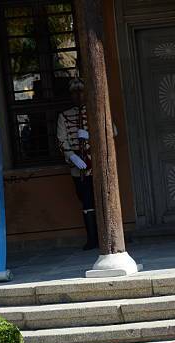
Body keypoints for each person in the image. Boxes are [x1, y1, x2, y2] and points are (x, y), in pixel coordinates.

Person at [56, 77, 98, 250]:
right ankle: (92, 238)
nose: (78, 96)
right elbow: (61, 140)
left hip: (96, 166)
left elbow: (111, 132)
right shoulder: (64, 116)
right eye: (75, 93)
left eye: (81, 92)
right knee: (86, 202)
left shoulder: (95, 111)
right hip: (78, 168)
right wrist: (73, 157)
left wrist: (90, 136)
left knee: (101, 200)